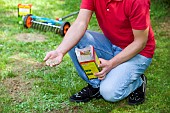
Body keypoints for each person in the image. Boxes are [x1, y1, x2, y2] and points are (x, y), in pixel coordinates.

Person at [44, 0, 155, 105]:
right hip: (112, 44)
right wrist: (60, 51)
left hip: (138, 52)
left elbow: (140, 43)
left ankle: (138, 82)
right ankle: (95, 85)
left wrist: (111, 63)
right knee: (76, 39)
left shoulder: (137, 2)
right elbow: (80, 23)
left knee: (109, 93)